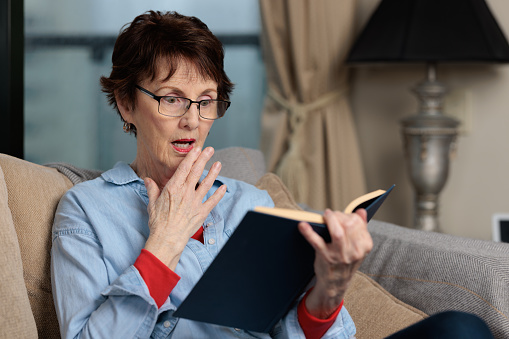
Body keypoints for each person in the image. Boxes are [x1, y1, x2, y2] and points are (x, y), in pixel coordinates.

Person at [51, 10, 493, 339]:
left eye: (206, 100)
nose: (192, 120)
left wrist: (329, 290)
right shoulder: (87, 210)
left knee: (460, 329)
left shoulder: (250, 203)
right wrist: (163, 246)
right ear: (127, 104)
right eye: (171, 99)